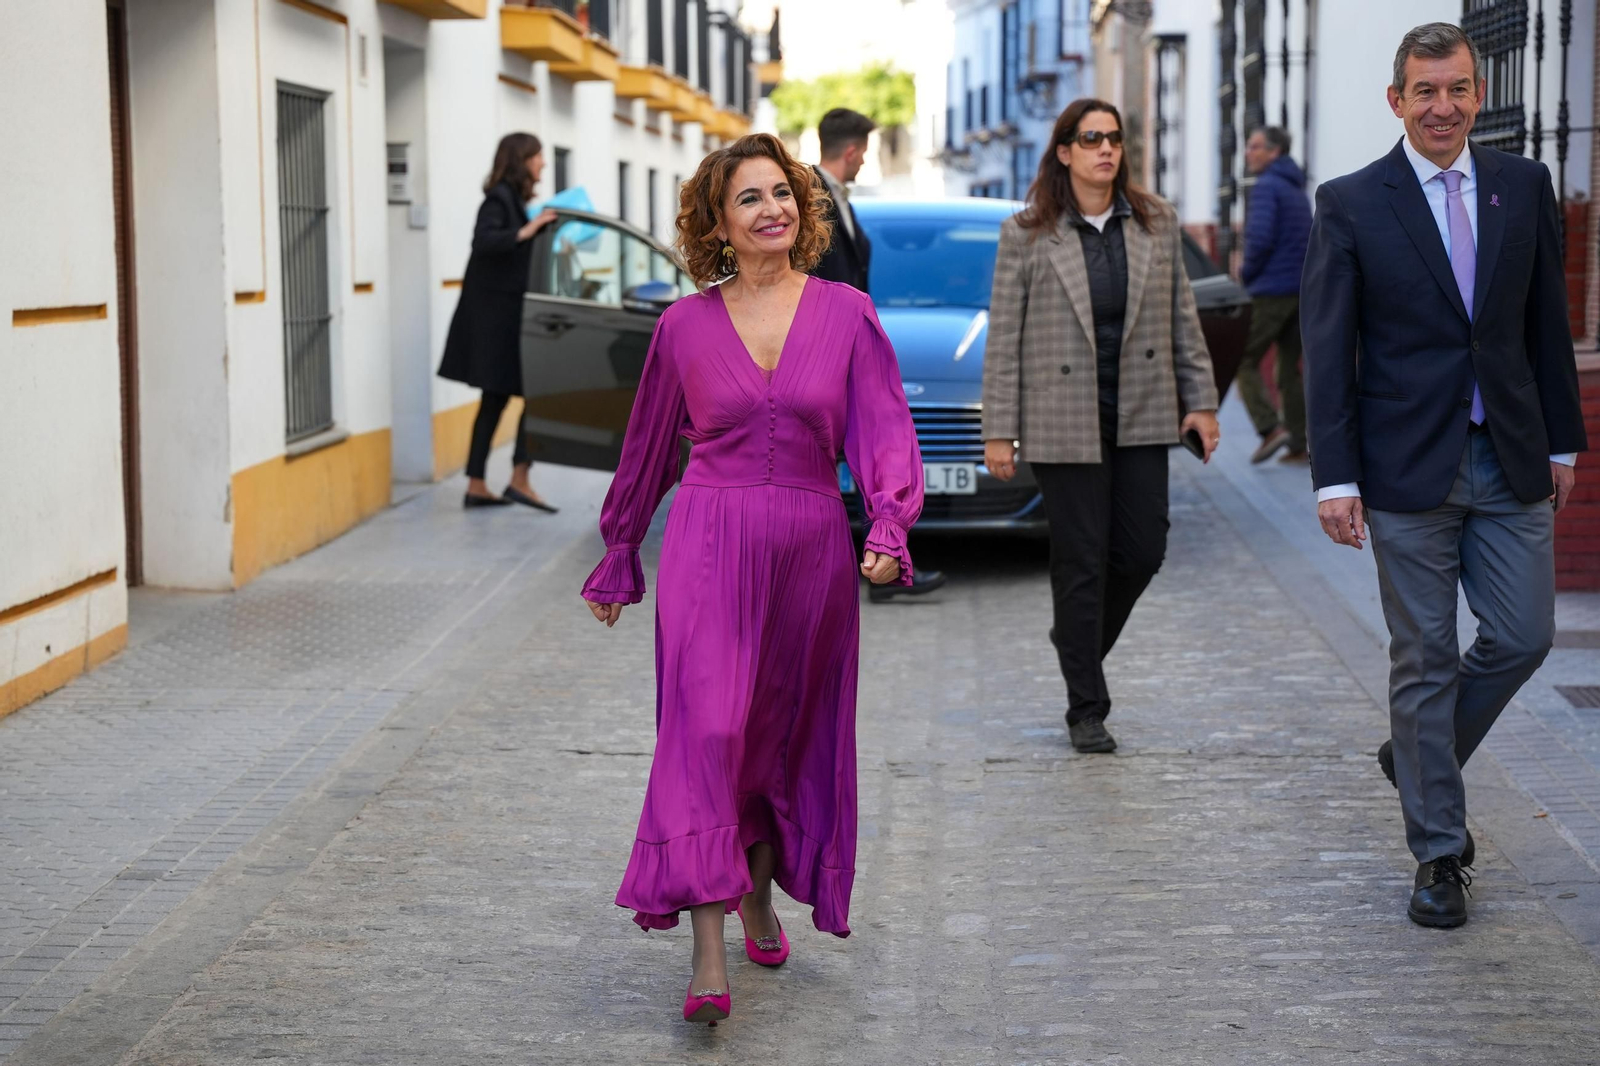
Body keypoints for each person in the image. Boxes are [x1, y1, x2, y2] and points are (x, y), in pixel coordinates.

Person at [579, 133, 923, 1025]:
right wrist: (620, 548)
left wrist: (889, 523)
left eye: (782, 193)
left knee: (783, 736)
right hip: (708, 547)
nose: (772, 209)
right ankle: (706, 958)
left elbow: (884, 429)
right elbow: (648, 447)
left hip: (811, 551)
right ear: (718, 224)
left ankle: (759, 896)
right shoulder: (683, 327)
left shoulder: (848, 314)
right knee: (706, 732)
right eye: (749, 198)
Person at [1302, 23, 1586, 928]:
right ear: (1397, 100)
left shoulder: (1522, 184)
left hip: (1509, 452)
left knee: (1525, 634)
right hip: (1403, 464)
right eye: (1425, 91)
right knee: (1423, 653)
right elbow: (1327, 349)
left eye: (1458, 88)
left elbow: (1547, 322)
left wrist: (1564, 443)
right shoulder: (1351, 202)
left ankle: (1417, 754)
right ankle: (1437, 853)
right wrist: (1334, 477)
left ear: (1479, 94)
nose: (1443, 107)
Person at [982, 99, 1220, 755]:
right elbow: (1003, 339)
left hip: (1141, 409)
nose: (1106, 149)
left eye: (1113, 138)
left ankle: (1074, 640)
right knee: (1080, 561)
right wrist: (1000, 429)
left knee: (1143, 550)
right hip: (1061, 417)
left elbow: (1183, 319)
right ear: (1064, 152)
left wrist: (1201, 401)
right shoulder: (1027, 232)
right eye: (1091, 139)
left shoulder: (1155, 221)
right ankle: (1086, 705)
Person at [811, 106, 947, 602]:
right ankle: (841, 569)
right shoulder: (811, 200)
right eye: (864, 153)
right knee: (831, 465)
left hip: (848, 353)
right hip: (826, 357)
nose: (865, 161)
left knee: (873, 461)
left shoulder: (834, 198)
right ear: (851, 151)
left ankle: (883, 563)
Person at [438, 132, 560, 511]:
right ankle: (517, 479)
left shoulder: (514, 201)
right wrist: (527, 230)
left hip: (503, 319)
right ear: (522, 160)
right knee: (532, 394)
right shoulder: (498, 199)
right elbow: (484, 241)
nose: (543, 163)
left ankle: (479, 483)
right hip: (496, 323)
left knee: (496, 399)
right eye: (538, 156)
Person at [1238, 126, 1312, 464]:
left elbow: (1260, 239)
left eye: (1255, 147)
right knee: (1288, 368)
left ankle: (1269, 429)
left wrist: (1246, 274)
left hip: (1270, 290)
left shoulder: (1267, 186)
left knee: (1243, 359)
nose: (1248, 153)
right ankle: (1298, 442)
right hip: (1299, 290)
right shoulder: (1295, 187)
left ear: (1274, 151)